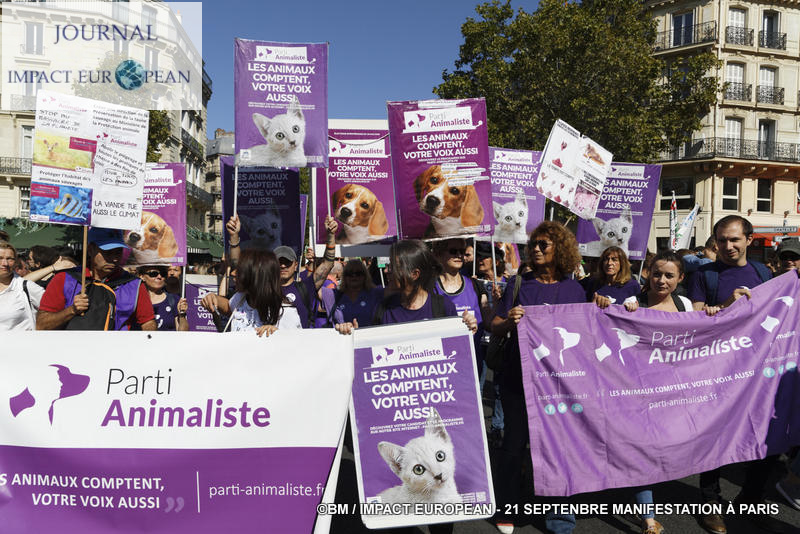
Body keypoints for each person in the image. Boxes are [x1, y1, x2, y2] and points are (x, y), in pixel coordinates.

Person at [490, 222, 586, 534]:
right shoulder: (520, 285)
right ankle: (507, 509)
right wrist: (509, 322)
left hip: (558, 384)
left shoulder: (574, 290)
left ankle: (559, 518)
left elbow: (584, 336)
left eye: (544, 244)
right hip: (518, 378)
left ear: (560, 249)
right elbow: (494, 323)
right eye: (533, 244)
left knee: (559, 448)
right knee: (514, 446)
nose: (536, 249)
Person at [686, 215, 775, 534]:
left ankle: (751, 499)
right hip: (717, 371)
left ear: (749, 240)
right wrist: (725, 305)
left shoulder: (763, 273)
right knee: (715, 438)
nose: (728, 246)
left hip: (756, 369)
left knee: (766, 440)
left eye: (735, 239)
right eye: (722, 240)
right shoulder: (703, 273)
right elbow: (694, 320)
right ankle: (709, 505)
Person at [621, 250, 693, 534]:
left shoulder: (685, 304)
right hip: (638, 392)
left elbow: (705, 333)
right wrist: (608, 306)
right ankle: (648, 517)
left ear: (680, 278)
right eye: (656, 274)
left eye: (669, 275)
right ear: (647, 274)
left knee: (665, 448)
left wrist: (716, 309)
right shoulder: (632, 304)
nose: (661, 280)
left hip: (674, 392)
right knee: (643, 452)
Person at [226, 214, 339, 328]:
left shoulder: (305, 287)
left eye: (288, 262)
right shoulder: (262, 288)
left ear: (295, 265)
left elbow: (327, 265)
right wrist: (234, 236)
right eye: (279, 262)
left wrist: (330, 235)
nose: (283, 266)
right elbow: (239, 266)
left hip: (299, 343)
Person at [37, 228, 156, 331]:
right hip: (72, 352)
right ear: (90, 249)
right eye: (108, 252)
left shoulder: (134, 284)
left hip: (117, 353)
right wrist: (71, 310)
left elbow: (148, 323)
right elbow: (41, 325)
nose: (114, 259)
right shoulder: (64, 279)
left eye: (118, 252)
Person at [200, 249, 301, 335]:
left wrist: (278, 335)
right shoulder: (241, 298)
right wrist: (214, 298)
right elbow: (228, 307)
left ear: (255, 277)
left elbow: (297, 348)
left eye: (240, 271)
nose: (233, 273)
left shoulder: (286, 311)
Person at [323, 259, 383, 328]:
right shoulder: (334, 295)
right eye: (349, 273)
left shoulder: (376, 293)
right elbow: (312, 286)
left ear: (365, 275)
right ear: (344, 276)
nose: (354, 276)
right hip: (341, 337)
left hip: (369, 337)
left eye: (358, 273)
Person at [0, 241, 44, 331]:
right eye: (0, 258)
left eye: (9, 259)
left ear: (15, 262)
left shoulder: (26, 287)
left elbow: (55, 311)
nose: (5, 263)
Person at [137, 266, 188, 331]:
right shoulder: (134, 300)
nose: (159, 277)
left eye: (163, 274)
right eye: (153, 274)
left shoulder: (174, 299)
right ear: (142, 276)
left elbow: (183, 334)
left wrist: (182, 316)